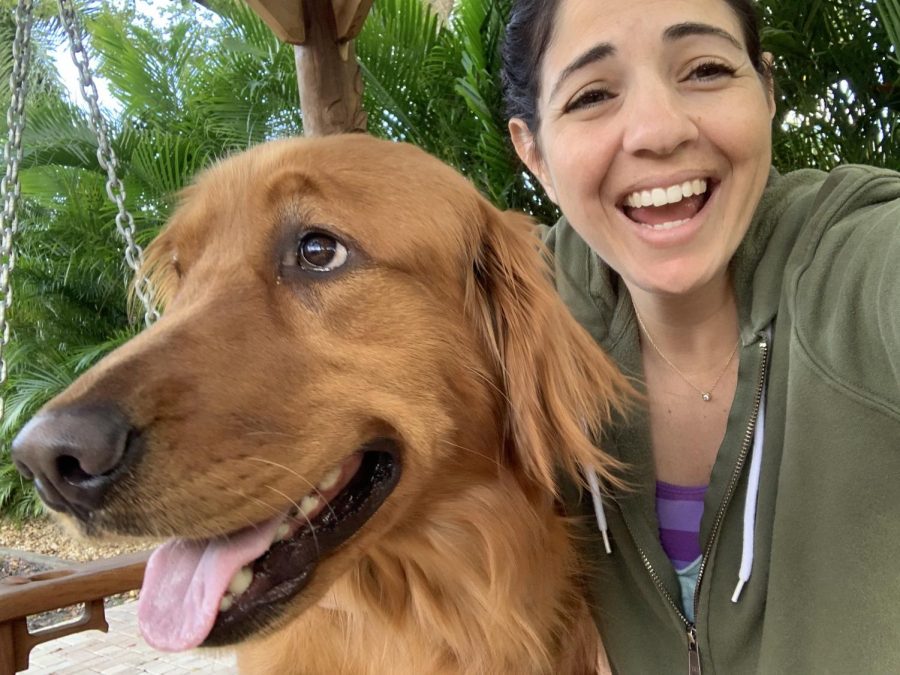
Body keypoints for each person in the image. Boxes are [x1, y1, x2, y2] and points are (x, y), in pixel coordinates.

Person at [501, 0, 900, 672]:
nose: (658, 130)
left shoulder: (853, 263)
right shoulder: (513, 323)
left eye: (706, 70)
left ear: (767, 92)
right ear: (533, 151)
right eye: (593, 94)